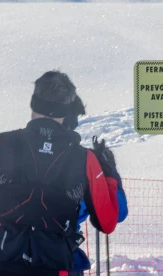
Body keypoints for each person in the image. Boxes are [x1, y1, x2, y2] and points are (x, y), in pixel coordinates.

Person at [0, 71, 120, 276]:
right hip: (54, 265)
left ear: (33, 105)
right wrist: (110, 175)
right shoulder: (85, 159)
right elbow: (108, 221)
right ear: (66, 111)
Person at [62, 116, 129, 276]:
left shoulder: (15, 154)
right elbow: (118, 213)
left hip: (10, 254)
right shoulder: (84, 163)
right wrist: (109, 171)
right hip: (63, 258)